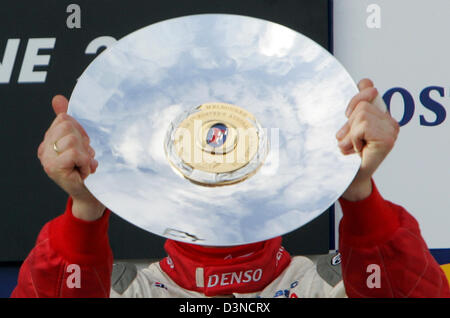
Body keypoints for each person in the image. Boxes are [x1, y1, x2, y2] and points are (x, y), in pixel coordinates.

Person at [11, 79, 450, 298]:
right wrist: (83, 211)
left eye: (238, 143)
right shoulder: (131, 292)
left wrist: (358, 193)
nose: (218, 155)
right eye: (199, 145)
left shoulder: (326, 288)